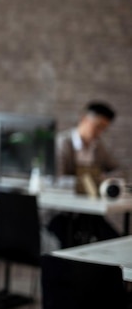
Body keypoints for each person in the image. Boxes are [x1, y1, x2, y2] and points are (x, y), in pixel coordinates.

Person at [47, 101, 121, 247]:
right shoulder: (62, 143)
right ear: (84, 119)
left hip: (87, 212)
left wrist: (107, 179)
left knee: (114, 241)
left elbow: (119, 169)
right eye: (98, 126)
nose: (99, 133)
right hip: (60, 213)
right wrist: (89, 182)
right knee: (71, 246)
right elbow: (56, 180)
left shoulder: (98, 146)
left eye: (104, 129)